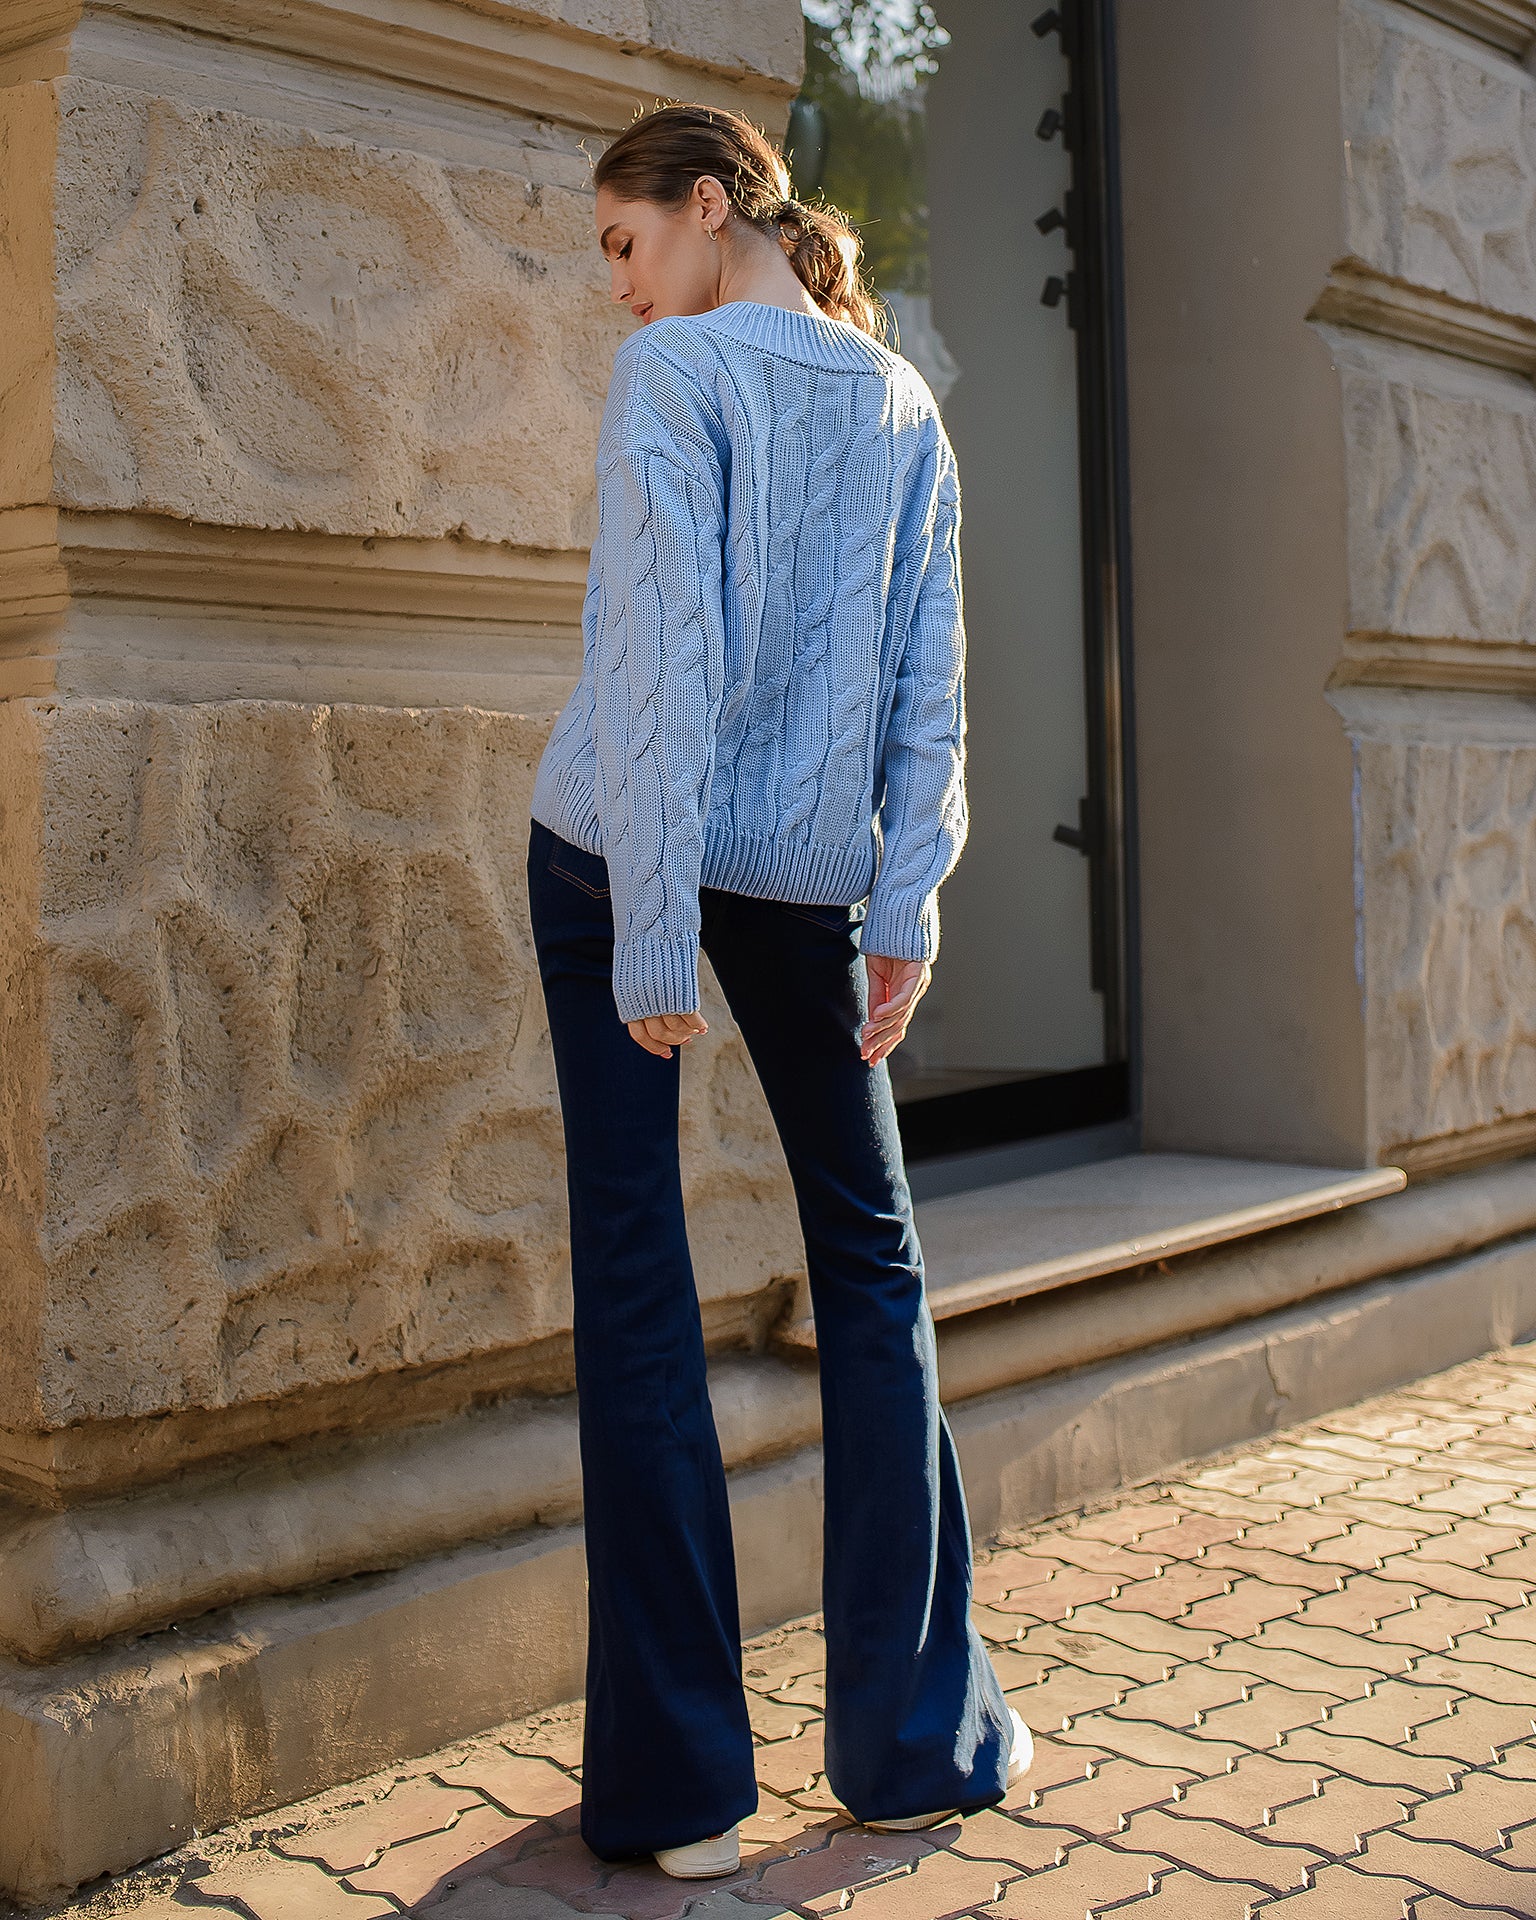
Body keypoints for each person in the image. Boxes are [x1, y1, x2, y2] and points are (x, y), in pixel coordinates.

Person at [525, 100, 1031, 1881]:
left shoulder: (673, 378)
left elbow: (665, 654)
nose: (617, 285)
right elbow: (929, 681)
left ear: (707, 206)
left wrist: (656, 921)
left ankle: (683, 1796)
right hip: (799, 880)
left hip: (619, 857)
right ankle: (912, 1747)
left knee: (637, 1272)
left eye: (624, 243)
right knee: (873, 1264)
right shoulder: (901, 402)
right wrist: (905, 903)